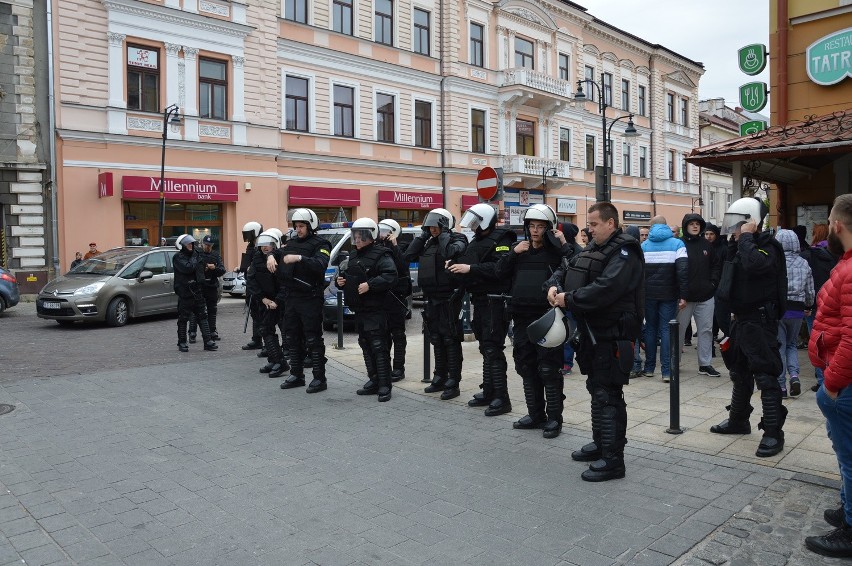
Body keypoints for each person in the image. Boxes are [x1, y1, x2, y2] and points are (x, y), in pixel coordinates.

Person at [548, 202, 644, 482]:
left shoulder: (625, 252)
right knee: (596, 388)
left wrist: (570, 299)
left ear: (611, 224)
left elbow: (607, 288)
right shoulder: (594, 248)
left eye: (594, 224)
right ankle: (601, 444)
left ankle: (614, 460)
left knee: (608, 394)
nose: (588, 229)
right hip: (592, 332)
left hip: (613, 333)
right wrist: (554, 285)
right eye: (588, 224)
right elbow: (568, 268)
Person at [710, 197, 787, 458]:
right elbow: (729, 275)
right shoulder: (739, 245)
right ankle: (738, 420)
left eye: (738, 224)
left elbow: (756, 265)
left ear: (751, 223)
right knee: (740, 372)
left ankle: (773, 432)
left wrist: (746, 238)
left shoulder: (768, 246)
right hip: (740, 319)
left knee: (765, 375)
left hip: (760, 320)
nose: (733, 229)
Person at [496, 204, 571, 438]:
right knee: (526, 366)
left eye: (540, 226)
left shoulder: (557, 253)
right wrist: (513, 253)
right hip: (521, 317)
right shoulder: (519, 251)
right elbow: (499, 272)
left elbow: (576, 263)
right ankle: (535, 414)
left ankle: (554, 419)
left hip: (547, 319)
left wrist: (564, 243)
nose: (535, 231)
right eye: (531, 226)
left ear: (548, 228)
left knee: (549, 369)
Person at [805, 194, 852, 558]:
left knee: (850, 456)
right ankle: (846, 507)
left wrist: (833, 383)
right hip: (836, 371)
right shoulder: (846, 262)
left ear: (836, 225)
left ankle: (850, 531)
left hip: (844, 380)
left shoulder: (850, 270)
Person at [448, 203, 516, 415]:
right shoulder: (476, 241)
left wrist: (471, 269)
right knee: (485, 347)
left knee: (493, 348)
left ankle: (502, 398)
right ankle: (489, 391)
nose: (474, 225)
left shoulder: (503, 240)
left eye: (477, 221)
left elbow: (499, 268)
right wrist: (455, 263)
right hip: (480, 300)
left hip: (495, 301)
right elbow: (471, 262)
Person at [403, 208, 468, 400]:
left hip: (449, 297)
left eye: (436, 225)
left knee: (450, 339)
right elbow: (408, 256)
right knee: (436, 339)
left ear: (445, 225)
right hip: (431, 296)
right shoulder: (428, 242)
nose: (432, 229)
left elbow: (450, 252)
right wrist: (422, 236)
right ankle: (439, 377)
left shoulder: (458, 239)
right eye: (429, 226)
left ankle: (453, 382)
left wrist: (445, 234)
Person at [337, 218, 398, 402]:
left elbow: (391, 276)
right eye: (355, 236)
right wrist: (339, 282)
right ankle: (373, 379)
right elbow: (346, 275)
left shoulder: (382, 254)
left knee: (379, 347)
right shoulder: (354, 256)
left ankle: (385, 385)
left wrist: (370, 285)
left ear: (370, 236)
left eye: (360, 236)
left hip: (377, 309)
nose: (357, 240)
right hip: (360, 309)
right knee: (365, 344)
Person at [277, 208, 331, 394]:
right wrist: (269, 256)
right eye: (296, 226)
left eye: (301, 226)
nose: (298, 229)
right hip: (292, 298)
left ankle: (319, 378)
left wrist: (300, 258)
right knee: (291, 336)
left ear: (311, 226)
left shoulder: (321, 243)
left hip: (310, 298)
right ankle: (297, 375)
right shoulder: (291, 243)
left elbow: (321, 264)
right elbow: (278, 254)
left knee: (313, 338)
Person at [640, 216, 688, 382]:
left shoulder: (644, 245)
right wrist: (683, 295)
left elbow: (639, 273)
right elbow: (682, 271)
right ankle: (667, 371)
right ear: (666, 225)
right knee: (667, 330)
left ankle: (649, 368)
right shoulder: (677, 244)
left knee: (651, 329)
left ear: (651, 227)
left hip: (648, 295)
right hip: (669, 294)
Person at [677, 213, 722, 377]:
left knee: (706, 330)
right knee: (679, 331)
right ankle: (675, 362)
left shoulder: (707, 245)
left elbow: (716, 266)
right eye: (691, 224)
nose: (695, 226)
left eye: (698, 224)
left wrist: (713, 284)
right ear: (685, 226)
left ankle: (705, 364)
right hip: (684, 297)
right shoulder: (679, 244)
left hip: (705, 296)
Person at [774, 229, 814, 398]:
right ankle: (795, 376)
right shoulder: (804, 263)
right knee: (791, 345)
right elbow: (810, 291)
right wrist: (808, 306)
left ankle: (781, 386)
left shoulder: (775, 262)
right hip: (797, 310)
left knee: (780, 347)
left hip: (779, 310)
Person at [800, 223, 839, 391]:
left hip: (813, 303)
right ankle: (830, 378)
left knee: (816, 343)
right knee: (831, 343)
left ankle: (821, 379)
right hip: (831, 303)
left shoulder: (809, 255)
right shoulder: (835, 254)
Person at [249, 230, 289, 378]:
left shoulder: (281, 258)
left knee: (268, 329)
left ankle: (280, 361)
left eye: (269, 244)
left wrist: (276, 301)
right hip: (264, 301)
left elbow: (285, 283)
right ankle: (274, 359)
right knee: (265, 329)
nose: (265, 247)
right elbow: (251, 279)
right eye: (262, 244)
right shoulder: (256, 258)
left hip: (277, 302)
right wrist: (262, 299)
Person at [172, 234, 218, 352]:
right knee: (183, 318)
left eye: (192, 243)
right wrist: (197, 260)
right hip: (185, 292)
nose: (191, 246)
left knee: (202, 316)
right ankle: (182, 342)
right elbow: (188, 268)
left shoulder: (196, 255)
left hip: (197, 291)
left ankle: (208, 341)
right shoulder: (178, 257)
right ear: (182, 245)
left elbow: (201, 271)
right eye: (188, 244)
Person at [377, 219, 411, 382]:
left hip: (397, 297)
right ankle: (385, 368)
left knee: (398, 334)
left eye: (386, 232)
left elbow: (403, 265)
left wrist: (395, 245)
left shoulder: (401, 247)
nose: (383, 235)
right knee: (383, 336)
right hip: (382, 297)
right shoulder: (378, 247)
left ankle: (399, 368)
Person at [188, 235, 226, 343]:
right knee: (196, 310)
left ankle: (212, 331)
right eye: (206, 245)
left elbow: (222, 270)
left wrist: (215, 268)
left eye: (210, 245)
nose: (207, 247)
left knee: (212, 309)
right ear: (202, 244)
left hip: (212, 285)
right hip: (199, 286)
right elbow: (191, 268)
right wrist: (203, 268)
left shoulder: (215, 255)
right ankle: (192, 332)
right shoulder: (197, 253)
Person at [240, 221, 265, 352]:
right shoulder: (250, 247)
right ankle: (257, 339)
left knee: (264, 316)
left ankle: (268, 342)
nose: (247, 237)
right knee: (255, 314)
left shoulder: (263, 245)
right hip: (251, 285)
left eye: (249, 234)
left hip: (261, 285)